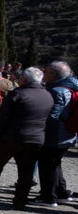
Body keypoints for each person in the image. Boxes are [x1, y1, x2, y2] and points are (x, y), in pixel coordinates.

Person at [0, 67, 53, 207]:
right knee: (26, 171)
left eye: (21, 78)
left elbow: (4, 117)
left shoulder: (18, 94)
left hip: (13, 137)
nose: (19, 79)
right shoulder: (47, 95)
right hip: (36, 138)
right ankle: (20, 200)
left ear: (25, 80)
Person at [35, 61, 78, 206]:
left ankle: (49, 197)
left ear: (53, 75)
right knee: (56, 164)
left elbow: (53, 115)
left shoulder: (57, 91)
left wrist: (41, 128)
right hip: (68, 133)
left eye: (46, 72)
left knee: (48, 165)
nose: (44, 74)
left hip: (56, 135)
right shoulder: (72, 87)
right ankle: (61, 193)